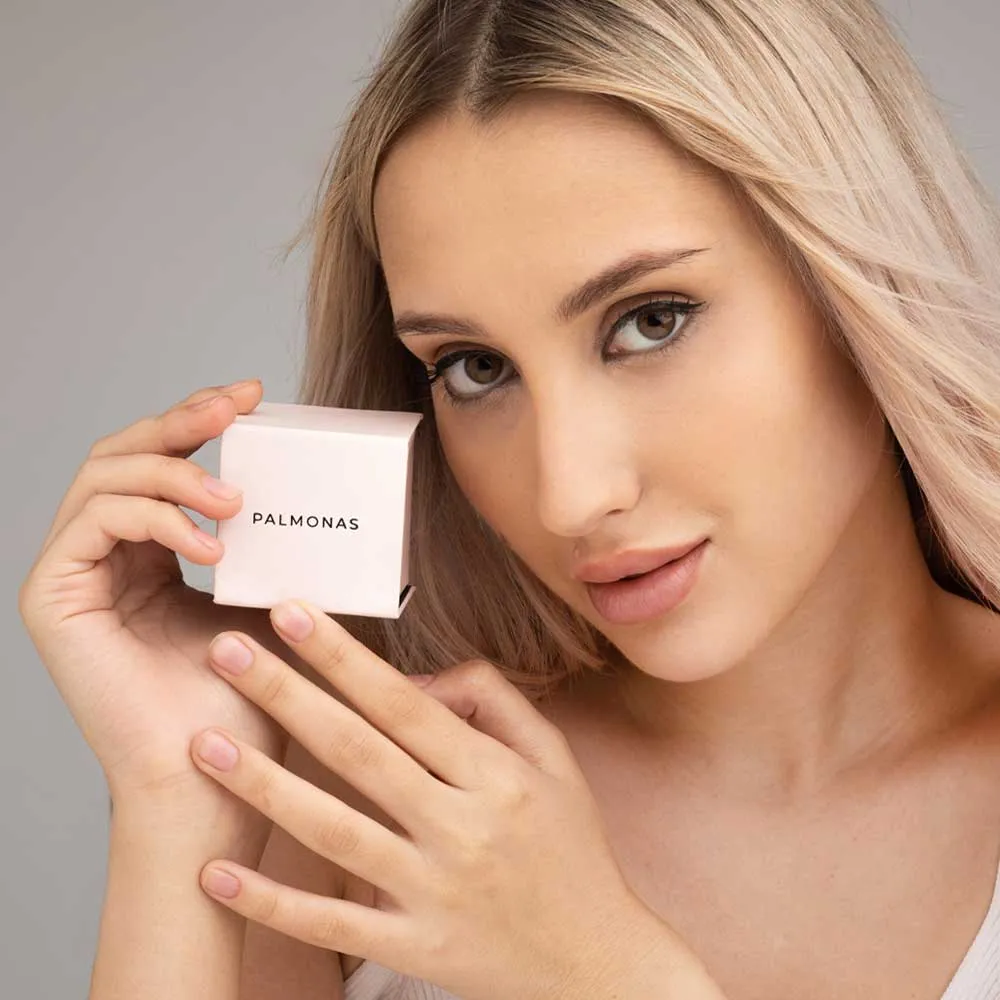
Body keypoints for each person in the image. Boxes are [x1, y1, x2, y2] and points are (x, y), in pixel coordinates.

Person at [18, 0, 1000, 997]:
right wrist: (178, 792)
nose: (568, 494)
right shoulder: (376, 805)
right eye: (475, 367)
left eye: (651, 320)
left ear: (858, 280)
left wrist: (606, 972)